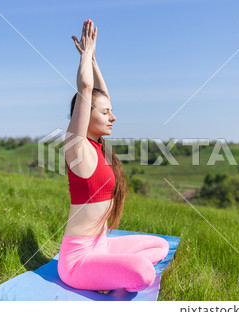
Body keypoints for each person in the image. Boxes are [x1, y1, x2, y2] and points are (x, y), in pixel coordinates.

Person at [57, 19, 169, 294]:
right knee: (143, 274)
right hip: (77, 260)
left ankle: (109, 271)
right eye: (105, 113)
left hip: (102, 246)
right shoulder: (77, 148)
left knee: (161, 246)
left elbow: (100, 94)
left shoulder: (98, 147)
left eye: (111, 111)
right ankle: (105, 274)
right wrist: (84, 56)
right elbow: (86, 89)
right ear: (85, 114)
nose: (113, 117)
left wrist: (93, 59)